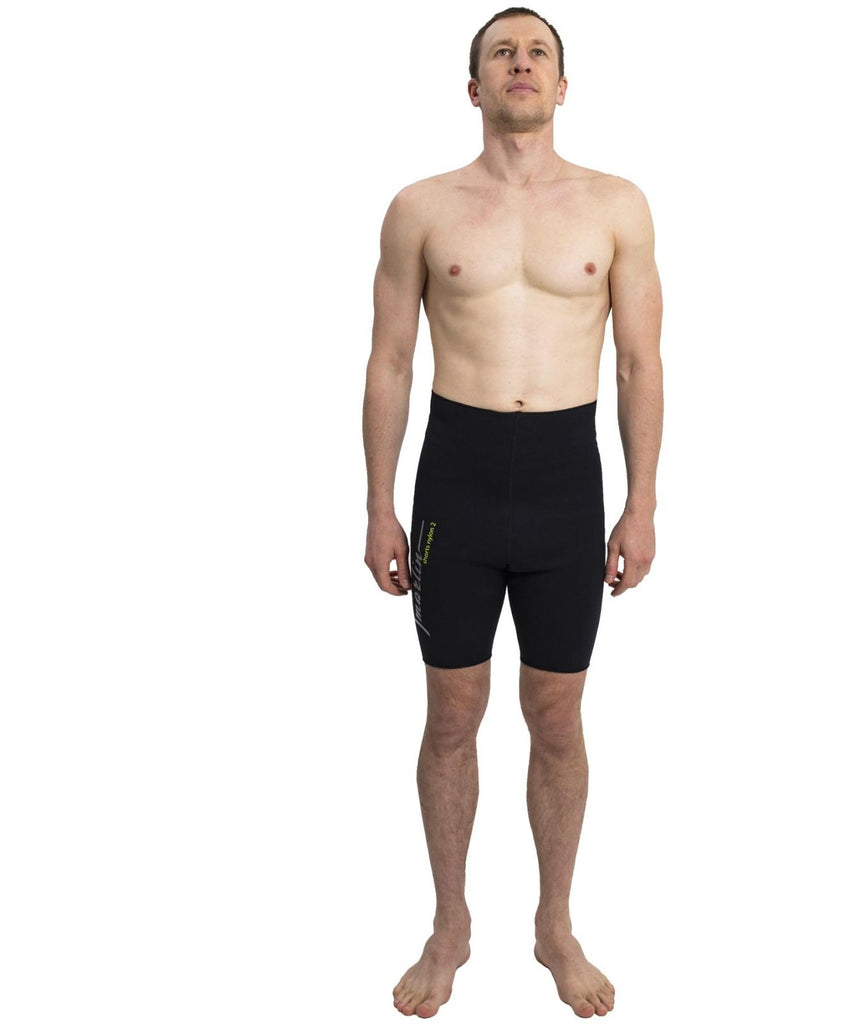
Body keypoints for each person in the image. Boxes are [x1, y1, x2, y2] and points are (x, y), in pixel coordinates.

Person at [362, 6, 663, 1018]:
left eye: (538, 53)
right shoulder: (421, 207)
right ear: (475, 86)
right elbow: (390, 362)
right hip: (454, 480)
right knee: (451, 715)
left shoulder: (615, 205)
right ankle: (450, 926)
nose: (521, 64)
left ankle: (554, 925)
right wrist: (378, 504)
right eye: (503, 52)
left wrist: (642, 503)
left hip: (566, 485)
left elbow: (639, 363)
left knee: (557, 714)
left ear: (563, 86)